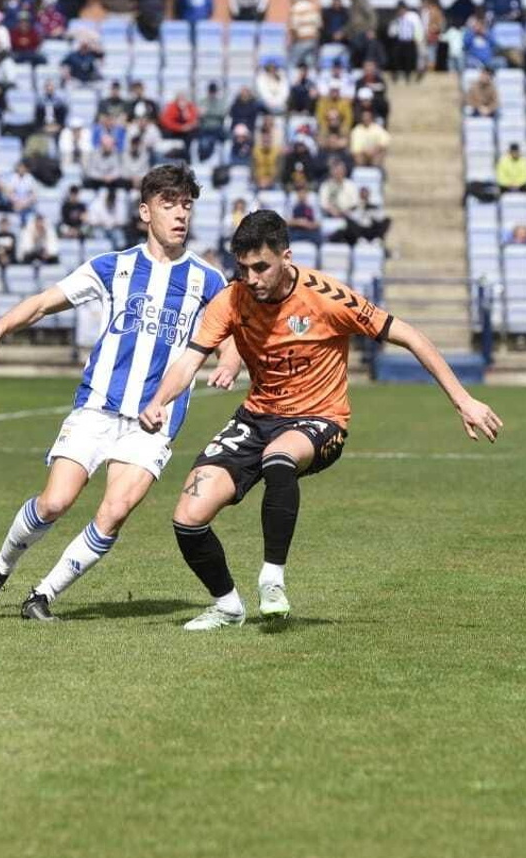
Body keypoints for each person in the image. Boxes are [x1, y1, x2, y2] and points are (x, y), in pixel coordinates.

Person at [138, 210, 501, 630]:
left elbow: (410, 335)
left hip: (320, 419)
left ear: (286, 257)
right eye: (243, 269)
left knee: (279, 458)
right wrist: (159, 400)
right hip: (256, 417)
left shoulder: (327, 298)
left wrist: (463, 400)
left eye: (261, 267)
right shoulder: (232, 300)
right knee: (188, 517)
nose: (251, 278)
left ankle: (272, 578)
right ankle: (228, 606)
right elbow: (188, 361)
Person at [0, 164, 239, 622]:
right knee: (55, 502)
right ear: (146, 212)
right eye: (169, 205)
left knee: (115, 510)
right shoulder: (113, 267)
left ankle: (42, 596)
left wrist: (227, 363)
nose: (180, 214)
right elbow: (45, 302)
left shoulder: (208, 281)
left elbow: (229, 339)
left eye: (186, 205)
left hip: (156, 416)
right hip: (98, 406)